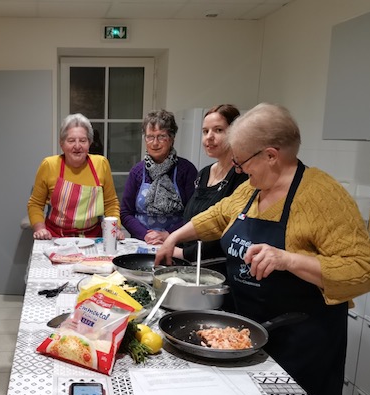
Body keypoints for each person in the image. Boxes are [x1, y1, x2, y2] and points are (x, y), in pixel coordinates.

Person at [155, 103, 370, 395]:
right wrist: (174, 237)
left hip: (301, 346)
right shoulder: (252, 190)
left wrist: (289, 259)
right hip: (246, 336)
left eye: (242, 161)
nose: (238, 169)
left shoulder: (323, 195)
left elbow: (364, 272)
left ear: (271, 155)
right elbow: (218, 216)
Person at [176, 104, 248, 276]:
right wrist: (174, 240)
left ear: (235, 133)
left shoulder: (242, 176)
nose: (209, 137)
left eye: (218, 130)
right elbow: (191, 217)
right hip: (190, 265)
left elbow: (229, 234)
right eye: (205, 131)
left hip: (219, 271)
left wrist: (183, 253)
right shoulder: (204, 173)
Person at [28, 113, 124, 239]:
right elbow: (35, 204)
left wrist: (115, 229)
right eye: (71, 140)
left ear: (89, 143)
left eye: (83, 141)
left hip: (93, 238)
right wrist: (40, 229)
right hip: (56, 237)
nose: (77, 146)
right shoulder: (49, 165)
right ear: (62, 144)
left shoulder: (101, 164)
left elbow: (111, 204)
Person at [120, 110, 197, 244]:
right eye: (150, 137)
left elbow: (194, 214)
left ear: (172, 138)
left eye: (161, 137)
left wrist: (168, 235)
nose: (155, 143)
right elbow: (125, 213)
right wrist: (146, 235)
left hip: (177, 242)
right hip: (142, 243)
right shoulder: (137, 172)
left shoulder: (186, 170)